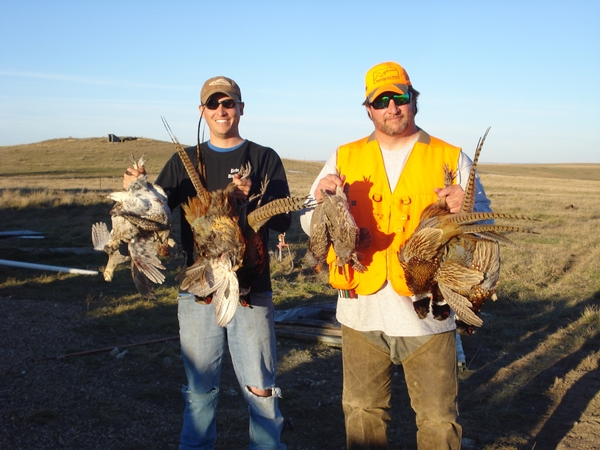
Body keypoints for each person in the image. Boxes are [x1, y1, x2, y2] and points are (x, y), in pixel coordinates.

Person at [299, 61, 492, 449]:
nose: (392, 107)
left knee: (439, 422)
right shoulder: (344, 156)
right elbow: (307, 223)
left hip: (428, 317)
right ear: (368, 108)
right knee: (362, 414)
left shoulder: (449, 157)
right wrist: (321, 200)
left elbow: (484, 230)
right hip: (360, 314)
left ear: (413, 101)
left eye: (399, 97)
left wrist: (466, 209)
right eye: (380, 99)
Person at [125, 76, 289, 449]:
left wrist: (247, 204)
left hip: (250, 289)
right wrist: (138, 189)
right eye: (213, 105)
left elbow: (282, 221)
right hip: (198, 290)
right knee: (199, 390)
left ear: (241, 108)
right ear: (202, 111)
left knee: (261, 391)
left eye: (228, 103)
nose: (221, 111)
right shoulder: (183, 162)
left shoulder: (263, 158)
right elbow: (158, 212)